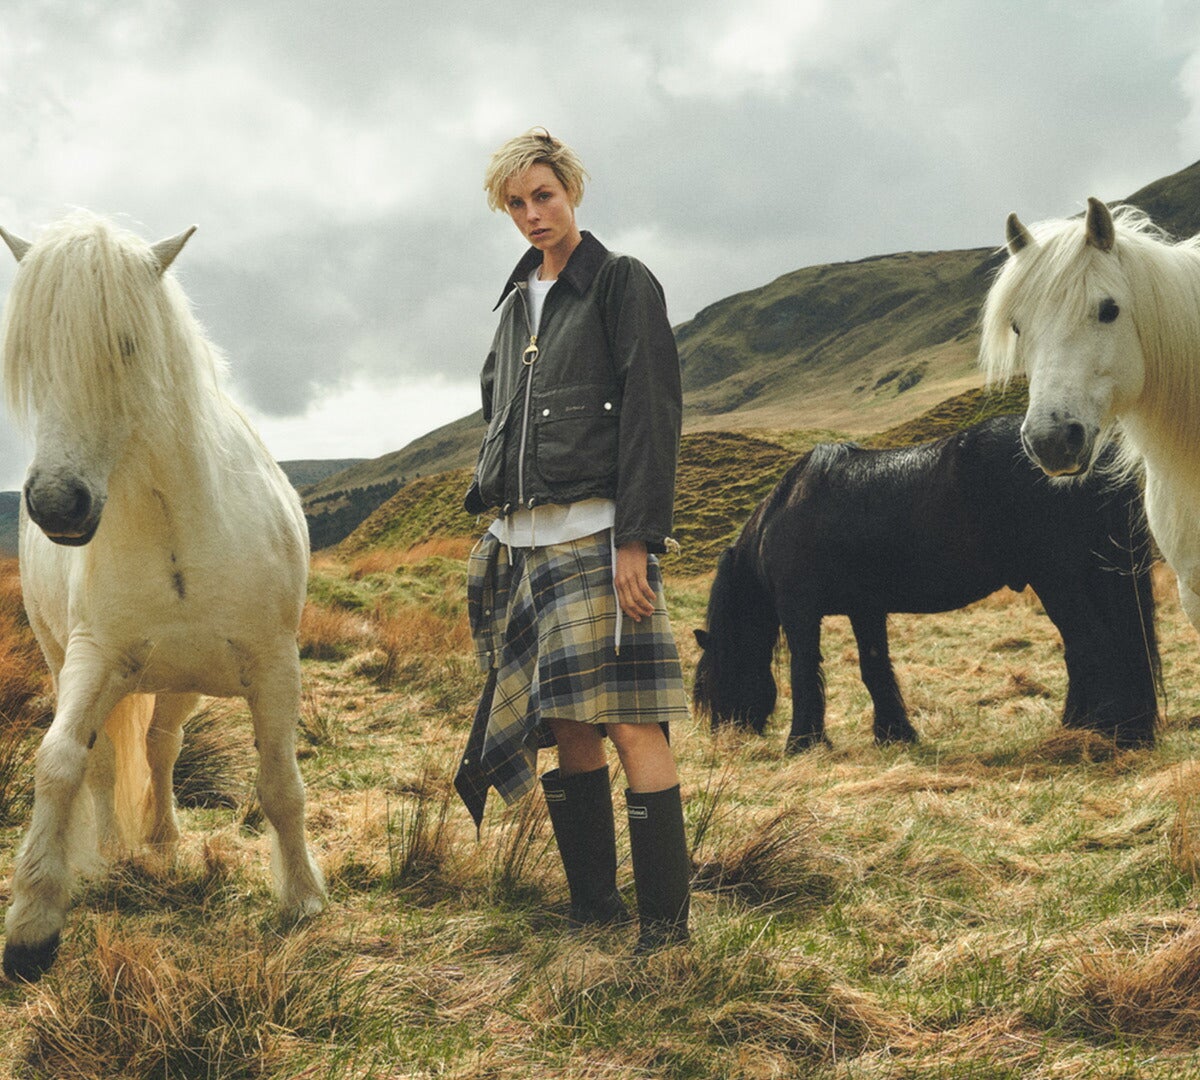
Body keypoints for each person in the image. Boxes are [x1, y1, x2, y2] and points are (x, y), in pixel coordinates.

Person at [453, 128, 691, 952]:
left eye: (544, 195)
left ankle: (665, 934)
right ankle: (594, 908)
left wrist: (637, 539)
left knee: (632, 722)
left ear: (572, 190)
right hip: (524, 549)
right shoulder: (515, 304)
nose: (532, 214)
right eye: (516, 203)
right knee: (567, 723)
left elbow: (653, 413)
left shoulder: (620, 282)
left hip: (597, 539)